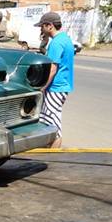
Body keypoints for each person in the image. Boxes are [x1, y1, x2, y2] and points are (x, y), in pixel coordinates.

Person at [34, 11, 74, 148]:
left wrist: (43, 86)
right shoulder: (65, 39)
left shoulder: (56, 43)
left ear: (49, 26)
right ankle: (48, 149)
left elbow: (53, 68)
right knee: (46, 119)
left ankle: (54, 154)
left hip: (55, 87)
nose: (41, 29)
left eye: (42, 26)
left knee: (53, 122)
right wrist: (43, 44)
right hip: (62, 86)